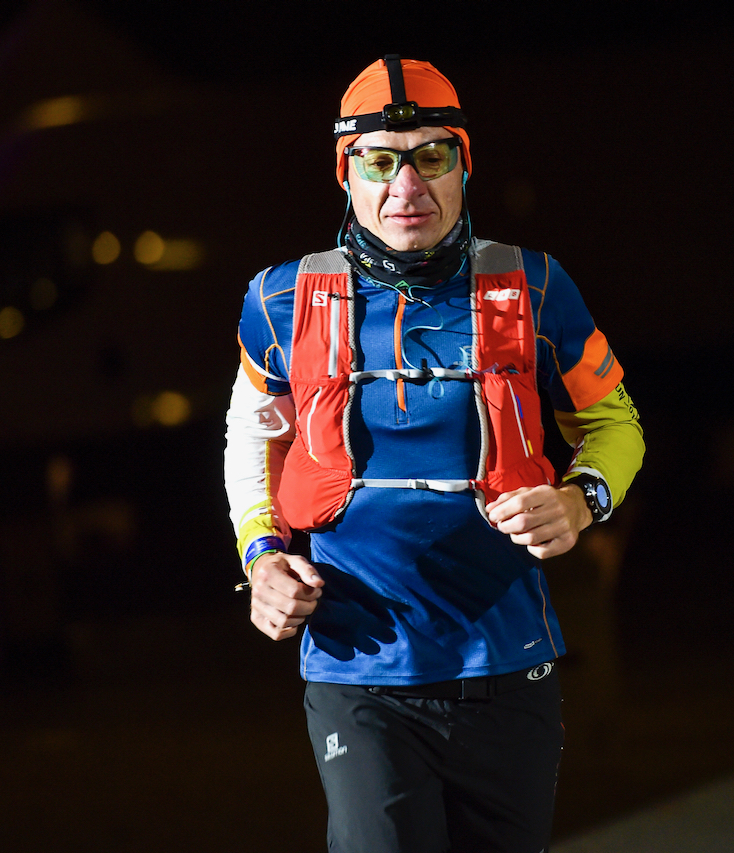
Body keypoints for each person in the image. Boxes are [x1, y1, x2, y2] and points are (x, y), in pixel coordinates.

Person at [224, 55, 644, 853]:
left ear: (464, 164)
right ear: (345, 173)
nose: (406, 188)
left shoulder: (536, 285)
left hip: (511, 663)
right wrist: (262, 556)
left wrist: (582, 499)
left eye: (431, 157)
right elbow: (251, 434)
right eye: (380, 162)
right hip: (360, 672)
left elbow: (617, 422)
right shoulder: (281, 298)